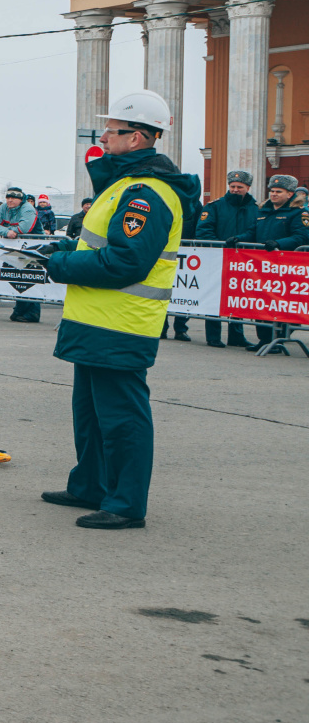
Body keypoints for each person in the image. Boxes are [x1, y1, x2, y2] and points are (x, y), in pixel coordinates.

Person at [36, 91, 198, 530]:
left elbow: (128, 261)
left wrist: (62, 264)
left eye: (114, 130)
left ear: (138, 138)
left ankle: (125, 503)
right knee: (89, 412)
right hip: (96, 320)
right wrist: (66, 248)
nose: (104, 135)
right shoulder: (125, 185)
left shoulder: (148, 193)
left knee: (121, 417)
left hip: (121, 324)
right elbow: (102, 245)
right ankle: (89, 485)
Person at [192, 169, 259, 347]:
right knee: (214, 297)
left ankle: (236, 335)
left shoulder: (256, 209)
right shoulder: (214, 207)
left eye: (239, 187)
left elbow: (256, 233)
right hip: (217, 259)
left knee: (238, 296)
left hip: (244, 260)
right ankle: (213, 336)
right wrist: (221, 248)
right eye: (232, 186)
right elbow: (204, 232)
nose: (235, 189)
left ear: (248, 187)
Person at [248, 174, 309, 351]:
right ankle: (264, 339)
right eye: (272, 191)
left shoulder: (298, 213)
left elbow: (302, 237)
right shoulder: (263, 211)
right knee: (260, 301)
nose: (274, 194)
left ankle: (279, 339)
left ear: (290, 194)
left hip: (286, 266)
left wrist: (279, 244)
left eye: (278, 191)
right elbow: (252, 233)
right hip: (263, 265)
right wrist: (237, 239)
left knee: (280, 302)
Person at [0, 187, 45, 324]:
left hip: (34, 247)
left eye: (14, 198)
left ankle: (32, 313)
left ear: (20, 199)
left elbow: (24, 229)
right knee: (19, 278)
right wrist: (8, 232)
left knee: (30, 279)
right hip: (17, 246)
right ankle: (20, 310)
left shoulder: (28, 209)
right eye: (8, 197)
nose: (10, 200)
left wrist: (6, 230)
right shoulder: (3, 208)